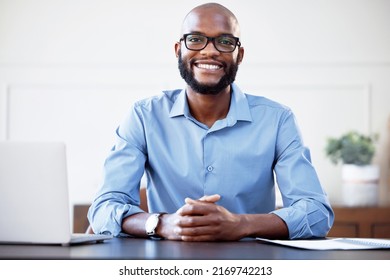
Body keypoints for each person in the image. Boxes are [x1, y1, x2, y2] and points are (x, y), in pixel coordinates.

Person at [88, 2, 334, 241]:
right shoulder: (144, 116)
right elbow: (104, 208)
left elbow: (316, 213)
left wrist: (241, 225)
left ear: (240, 55)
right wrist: (164, 224)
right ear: (178, 50)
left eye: (225, 42)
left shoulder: (277, 119)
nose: (210, 51)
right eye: (195, 39)